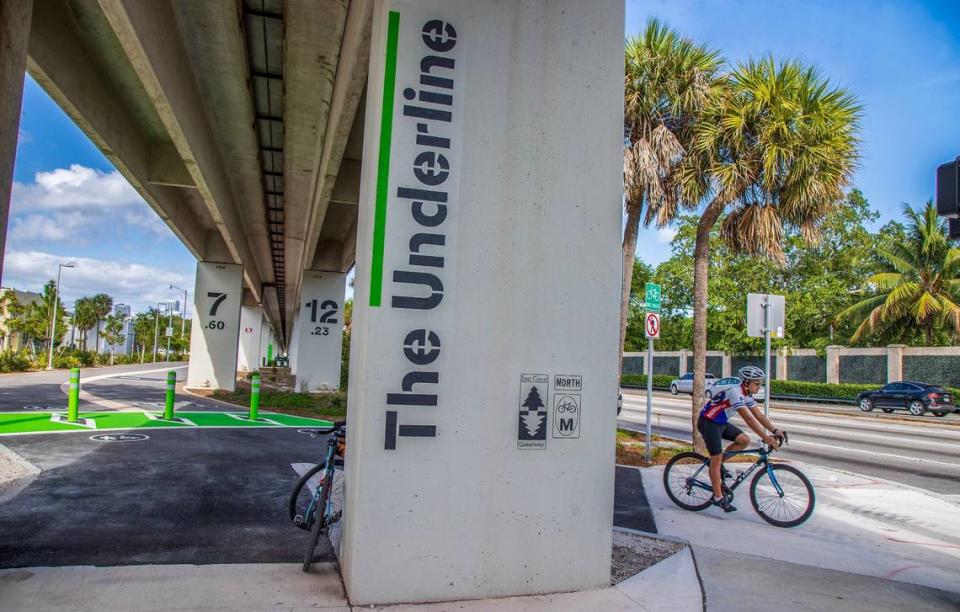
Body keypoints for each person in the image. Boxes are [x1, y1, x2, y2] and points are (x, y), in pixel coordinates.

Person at [697, 366, 785, 512]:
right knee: (716, 458)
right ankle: (718, 497)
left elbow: (759, 416)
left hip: (720, 422)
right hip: (708, 423)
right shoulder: (735, 393)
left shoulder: (746, 394)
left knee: (744, 440)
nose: (759, 386)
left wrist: (775, 430)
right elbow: (749, 420)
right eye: (756, 384)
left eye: (760, 384)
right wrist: (766, 438)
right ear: (746, 382)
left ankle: (718, 467)